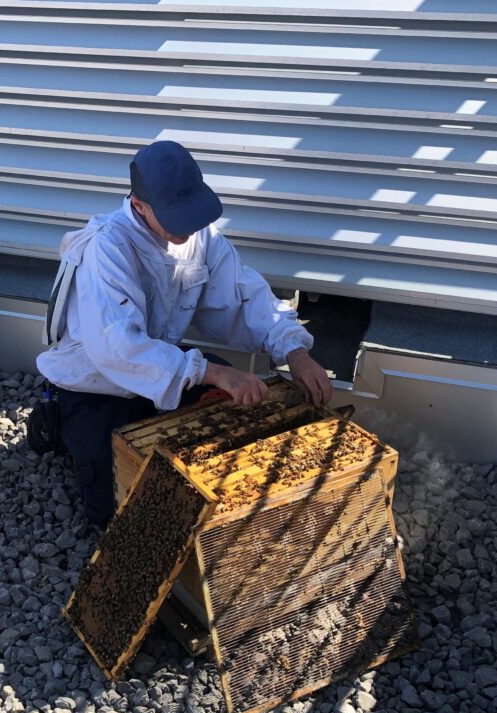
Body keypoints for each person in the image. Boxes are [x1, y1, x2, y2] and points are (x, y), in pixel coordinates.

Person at [34, 140, 331, 528]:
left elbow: (244, 295)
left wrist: (294, 351)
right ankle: (53, 423)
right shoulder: (107, 246)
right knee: (123, 513)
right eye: (176, 215)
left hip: (164, 360)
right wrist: (216, 372)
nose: (189, 226)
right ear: (138, 205)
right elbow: (118, 348)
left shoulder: (201, 236)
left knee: (241, 408)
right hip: (96, 381)